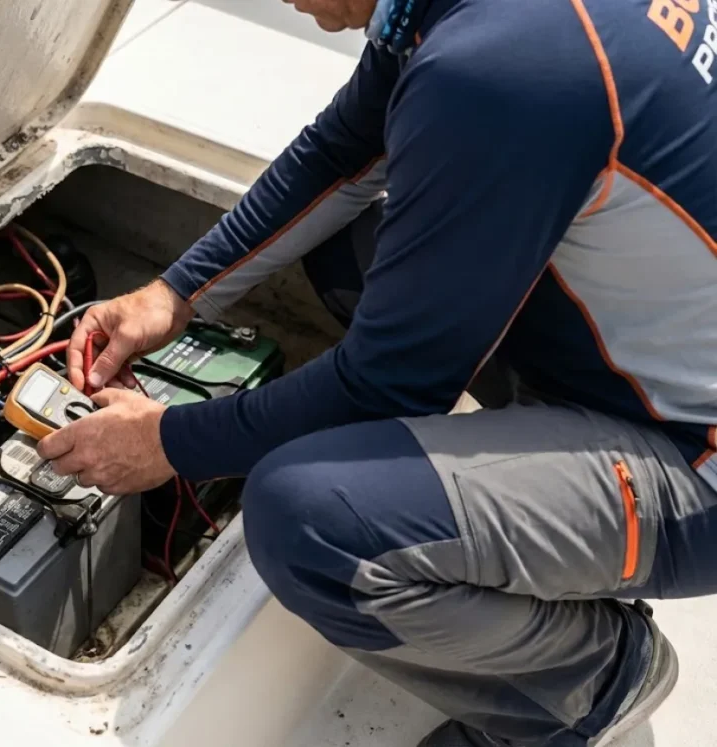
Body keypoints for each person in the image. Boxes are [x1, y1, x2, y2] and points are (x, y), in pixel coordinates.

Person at [37, 0, 717, 744]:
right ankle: (487, 502)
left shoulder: (499, 70)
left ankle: (593, 679)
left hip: (693, 468)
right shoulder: (459, 18)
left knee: (311, 520)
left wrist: (168, 442)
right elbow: (346, 150)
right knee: (348, 249)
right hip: (648, 361)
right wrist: (174, 292)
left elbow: (388, 386)